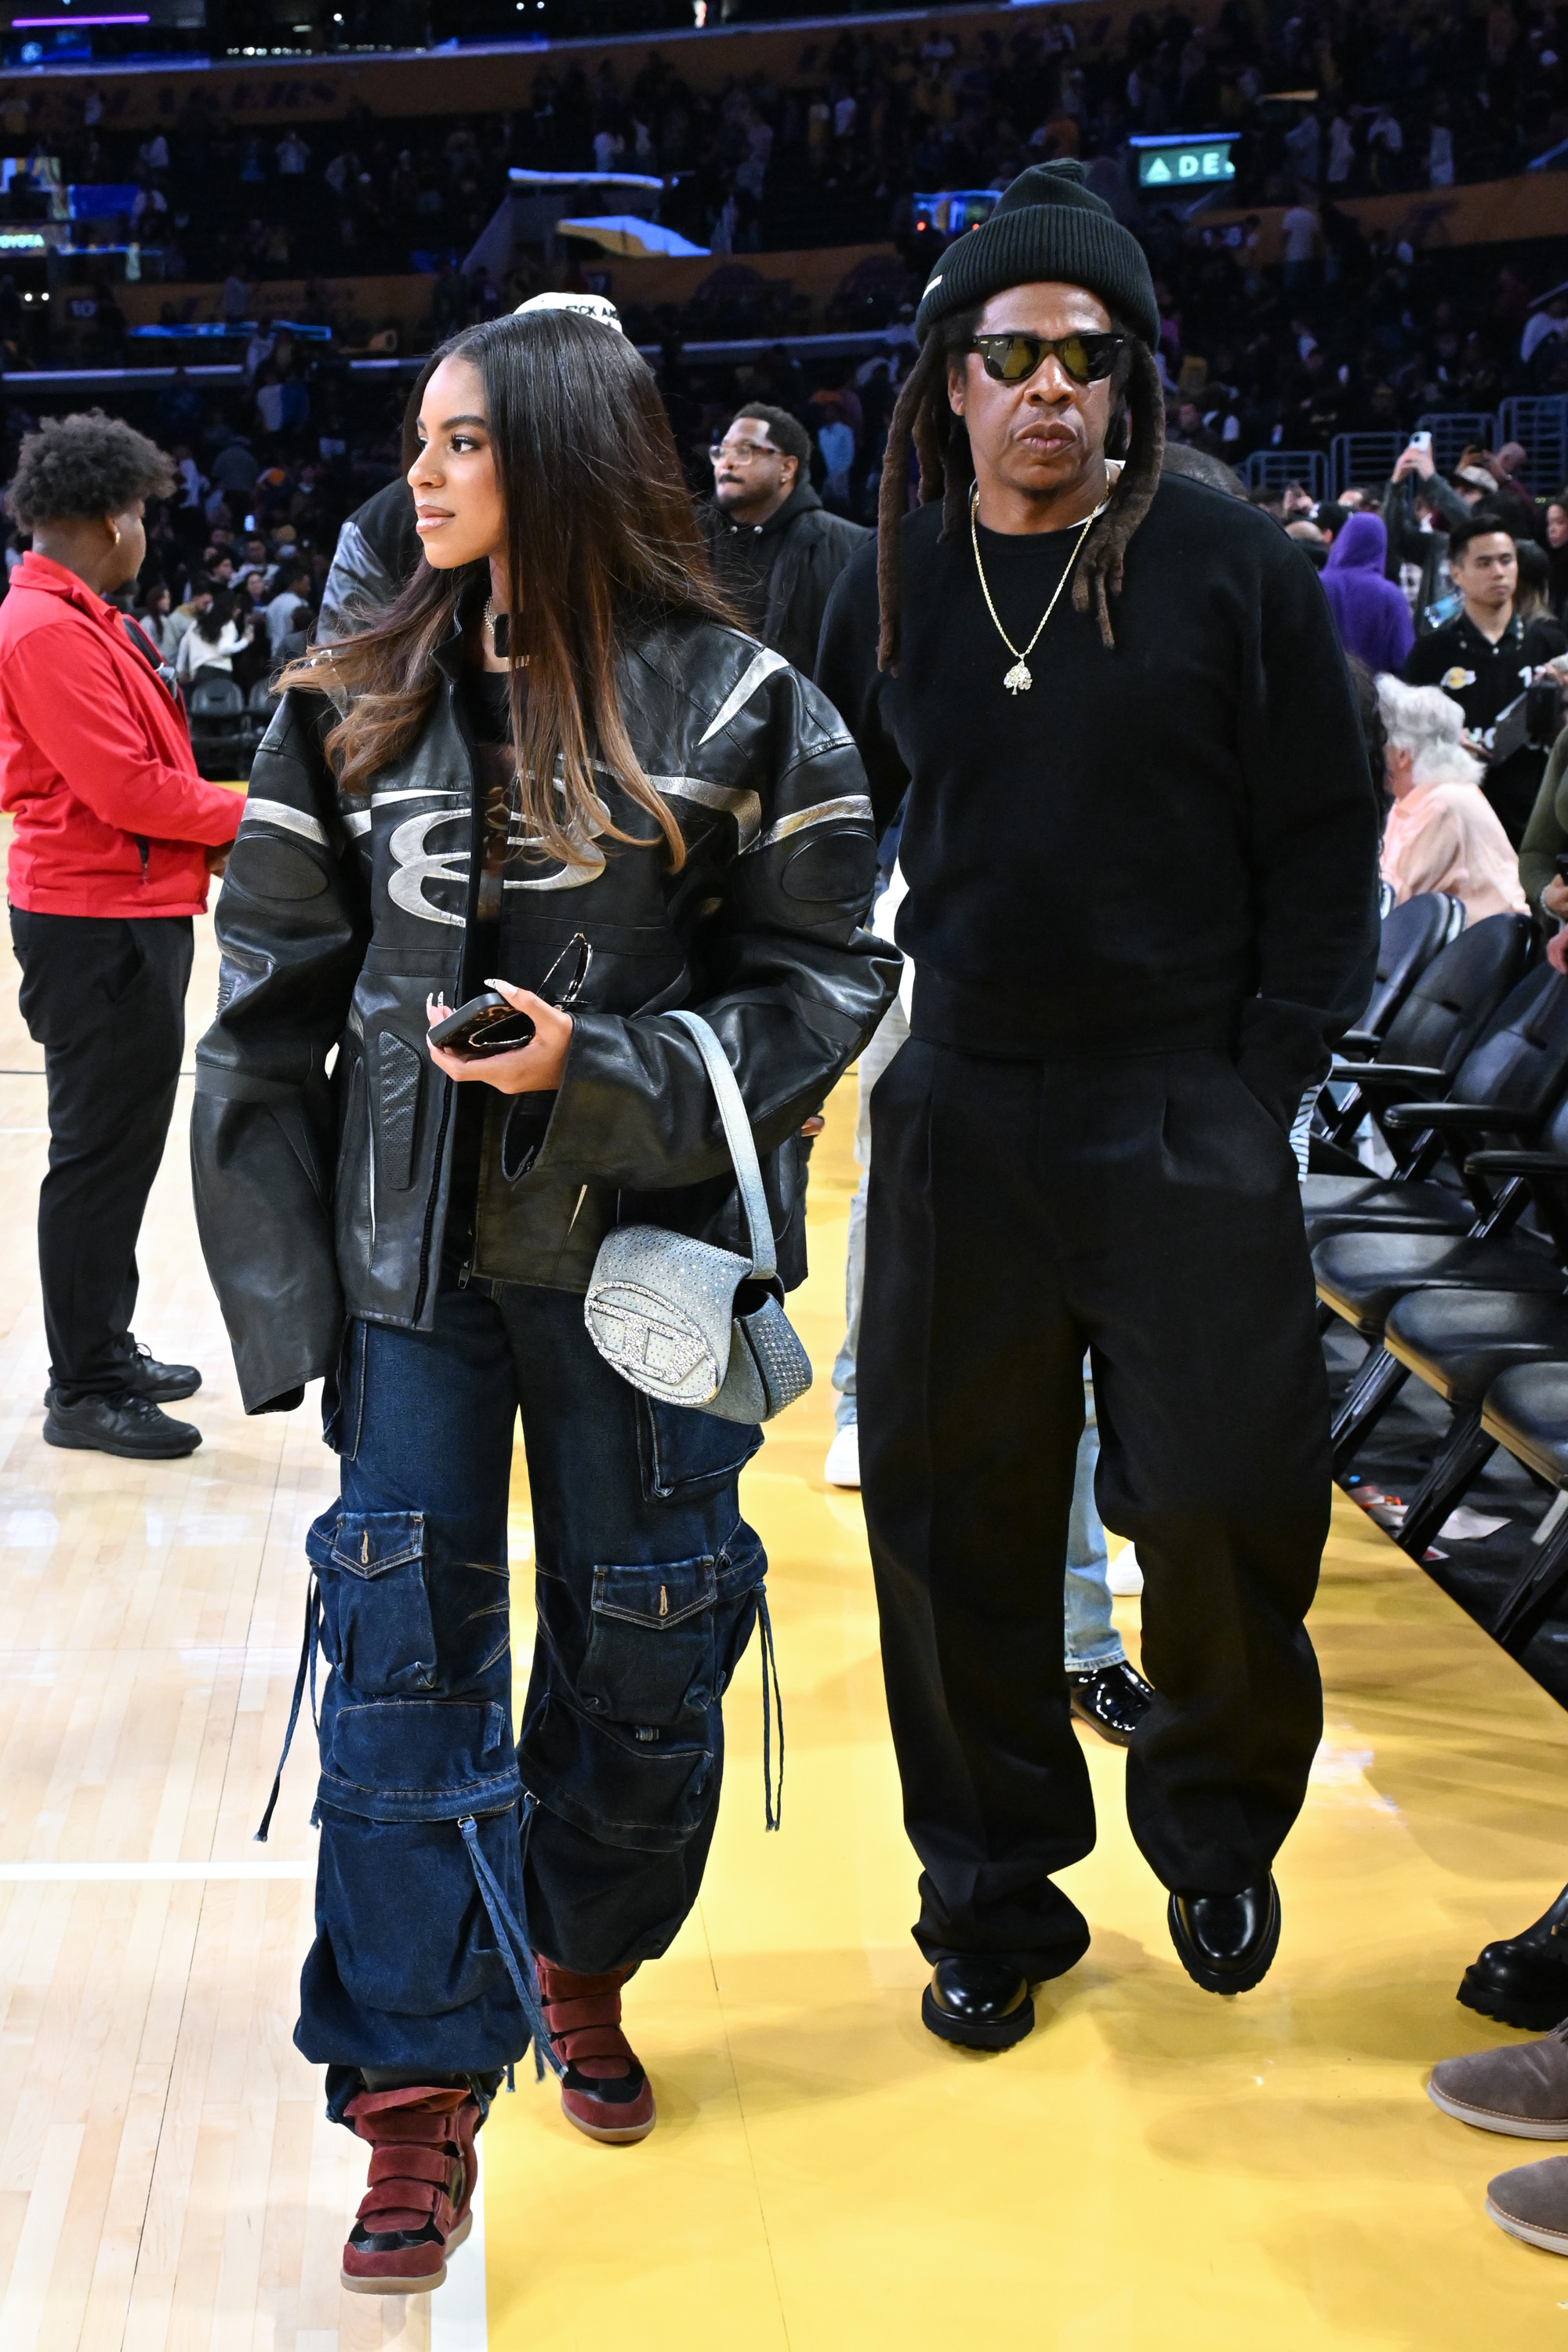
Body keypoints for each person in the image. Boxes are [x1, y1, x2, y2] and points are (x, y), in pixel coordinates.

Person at [190, 307, 895, 2297]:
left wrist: (612, 1068)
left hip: (645, 1274)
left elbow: (830, 983)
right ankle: (411, 2093)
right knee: (399, 1653)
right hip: (409, 1282)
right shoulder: (339, 703)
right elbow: (254, 1019)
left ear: (571, 455)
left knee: (649, 1649)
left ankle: (571, 1956)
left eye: (464, 444)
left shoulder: (756, 706)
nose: (419, 476)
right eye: (418, 441)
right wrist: (283, 1300)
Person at [815, 158, 1380, 2051]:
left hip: (1176, 1096)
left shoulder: (1234, 569)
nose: (1049, 386)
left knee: (1221, 1495)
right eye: (1011, 355)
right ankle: (988, 1890)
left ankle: (1213, 1816)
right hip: (958, 1093)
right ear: (947, 380)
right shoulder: (880, 568)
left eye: (1084, 356)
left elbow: (1320, 852)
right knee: (945, 1514)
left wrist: (1253, 1091)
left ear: (1126, 380)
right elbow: (813, 829)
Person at [0, 412, 240, 1458]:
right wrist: (268, 823)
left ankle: (106, 1343)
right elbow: (130, 791)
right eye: (141, 512)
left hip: (128, 910)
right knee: (95, 1156)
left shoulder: (82, 616)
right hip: (91, 922)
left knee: (119, 1148)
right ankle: (84, 1386)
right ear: (110, 517)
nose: (147, 531)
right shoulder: (49, 630)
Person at [1403, 510, 1568, 846]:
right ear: (1456, 572)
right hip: (1458, 828)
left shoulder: (1550, 645)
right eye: (1484, 563)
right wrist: (1440, 741)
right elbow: (1402, 741)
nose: (1499, 572)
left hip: (1536, 825)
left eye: (1506, 561)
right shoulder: (1431, 653)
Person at [701, 402, 868, 673]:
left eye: (745, 451)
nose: (726, 463)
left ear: (787, 468)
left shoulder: (850, 547)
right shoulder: (684, 537)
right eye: (722, 451)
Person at [1376, 676, 1528, 922]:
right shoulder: (1413, 799)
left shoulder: (1445, 804)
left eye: (1384, 745)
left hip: (1479, 950)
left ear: (1403, 754)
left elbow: (1395, 897)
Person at [1319, 510, 1414, 671]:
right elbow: (1404, 657)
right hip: (1375, 691)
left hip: (1321, 688)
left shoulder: (1317, 583)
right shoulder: (1389, 594)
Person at [175, 586, 252, 683]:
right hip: (220, 673)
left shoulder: (197, 624)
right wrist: (245, 641)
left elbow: (184, 643)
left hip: (199, 674)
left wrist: (180, 670)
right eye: (237, 607)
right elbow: (224, 649)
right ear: (230, 608)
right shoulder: (228, 624)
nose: (239, 610)